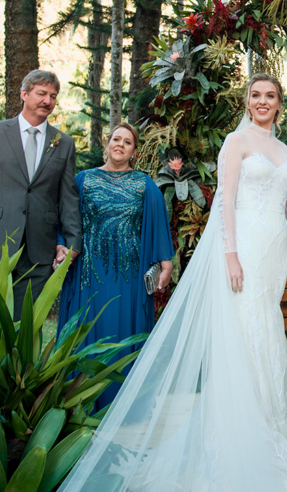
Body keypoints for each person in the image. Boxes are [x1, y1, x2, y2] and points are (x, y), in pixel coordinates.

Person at [57, 73, 287, 492]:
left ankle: (269, 428)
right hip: (244, 250)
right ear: (248, 102)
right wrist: (230, 255)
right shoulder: (237, 142)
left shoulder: (286, 149)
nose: (263, 101)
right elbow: (226, 202)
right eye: (256, 95)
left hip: (272, 258)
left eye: (270, 96)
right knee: (243, 334)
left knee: (265, 331)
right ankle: (235, 434)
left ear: (280, 103)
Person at [56, 122, 174, 411]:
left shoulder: (145, 185)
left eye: (128, 142)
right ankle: (80, 402)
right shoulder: (82, 181)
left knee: (124, 330)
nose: (120, 144)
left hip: (129, 275)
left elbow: (158, 226)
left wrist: (166, 264)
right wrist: (61, 248)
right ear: (107, 144)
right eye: (116, 139)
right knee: (88, 328)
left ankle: (124, 407)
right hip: (89, 273)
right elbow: (65, 221)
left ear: (134, 151)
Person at [0, 70, 81, 320]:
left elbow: (68, 198)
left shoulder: (64, 143)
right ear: (24, 94)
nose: (47, 100)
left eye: (53, 96)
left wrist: (72, 244)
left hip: (40, 250)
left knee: (27, 326)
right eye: (42, 93)